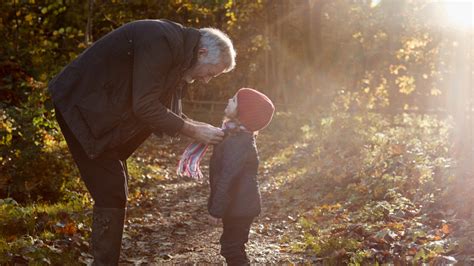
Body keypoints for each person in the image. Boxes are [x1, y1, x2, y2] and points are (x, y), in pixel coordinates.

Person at [48, 19, 236, 265]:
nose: (206, 80)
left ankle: (106, 260)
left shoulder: (179, 56)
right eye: (210, 73)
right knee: (112, 191)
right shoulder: (162, 41)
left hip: (100, 113)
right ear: (202, 53)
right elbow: (145, 106)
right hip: (82, 108)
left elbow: (169, 114)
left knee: (116, 189)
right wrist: (193, 131)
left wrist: (200, 128)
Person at [208, 88, 275, 265]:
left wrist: (216, 209)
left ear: (243, 111)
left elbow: (228, 176)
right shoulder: (237, 135)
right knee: (232, 246)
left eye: (235, 100)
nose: (229, 100)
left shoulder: (238, 141)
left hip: (240, 206)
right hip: (239, 205)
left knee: (231, 248)